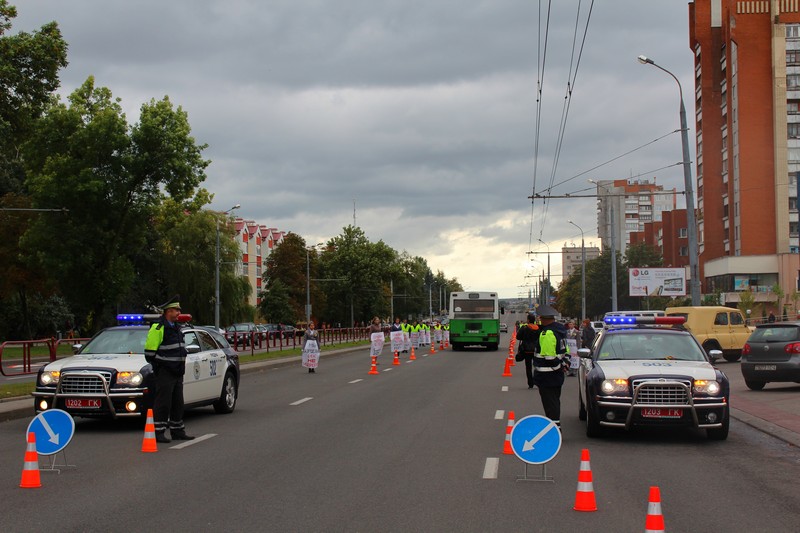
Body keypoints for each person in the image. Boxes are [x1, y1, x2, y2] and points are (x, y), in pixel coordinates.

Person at [144, 296, 194, 443]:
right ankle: (158, 432)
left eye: (178, 310)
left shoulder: (176, 328)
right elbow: (149, 353)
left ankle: (177, 431)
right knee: (163, 403)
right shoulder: (158, 327)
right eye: (176, 310)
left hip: (177, 372)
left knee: (178, 403)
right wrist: (160, 366)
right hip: (165, 372)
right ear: (168, 311)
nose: (179, 312)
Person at [516, 305, 569, 427]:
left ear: (543, 319)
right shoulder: (560, 331)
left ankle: (555, 430)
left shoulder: (547, 333)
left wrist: (558, 366)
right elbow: (565, 351)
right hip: (556, 376)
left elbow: (549, 357)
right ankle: (555, 427)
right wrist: (564, 365)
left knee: (550, 405)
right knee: (555, 402)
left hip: (547, 376)